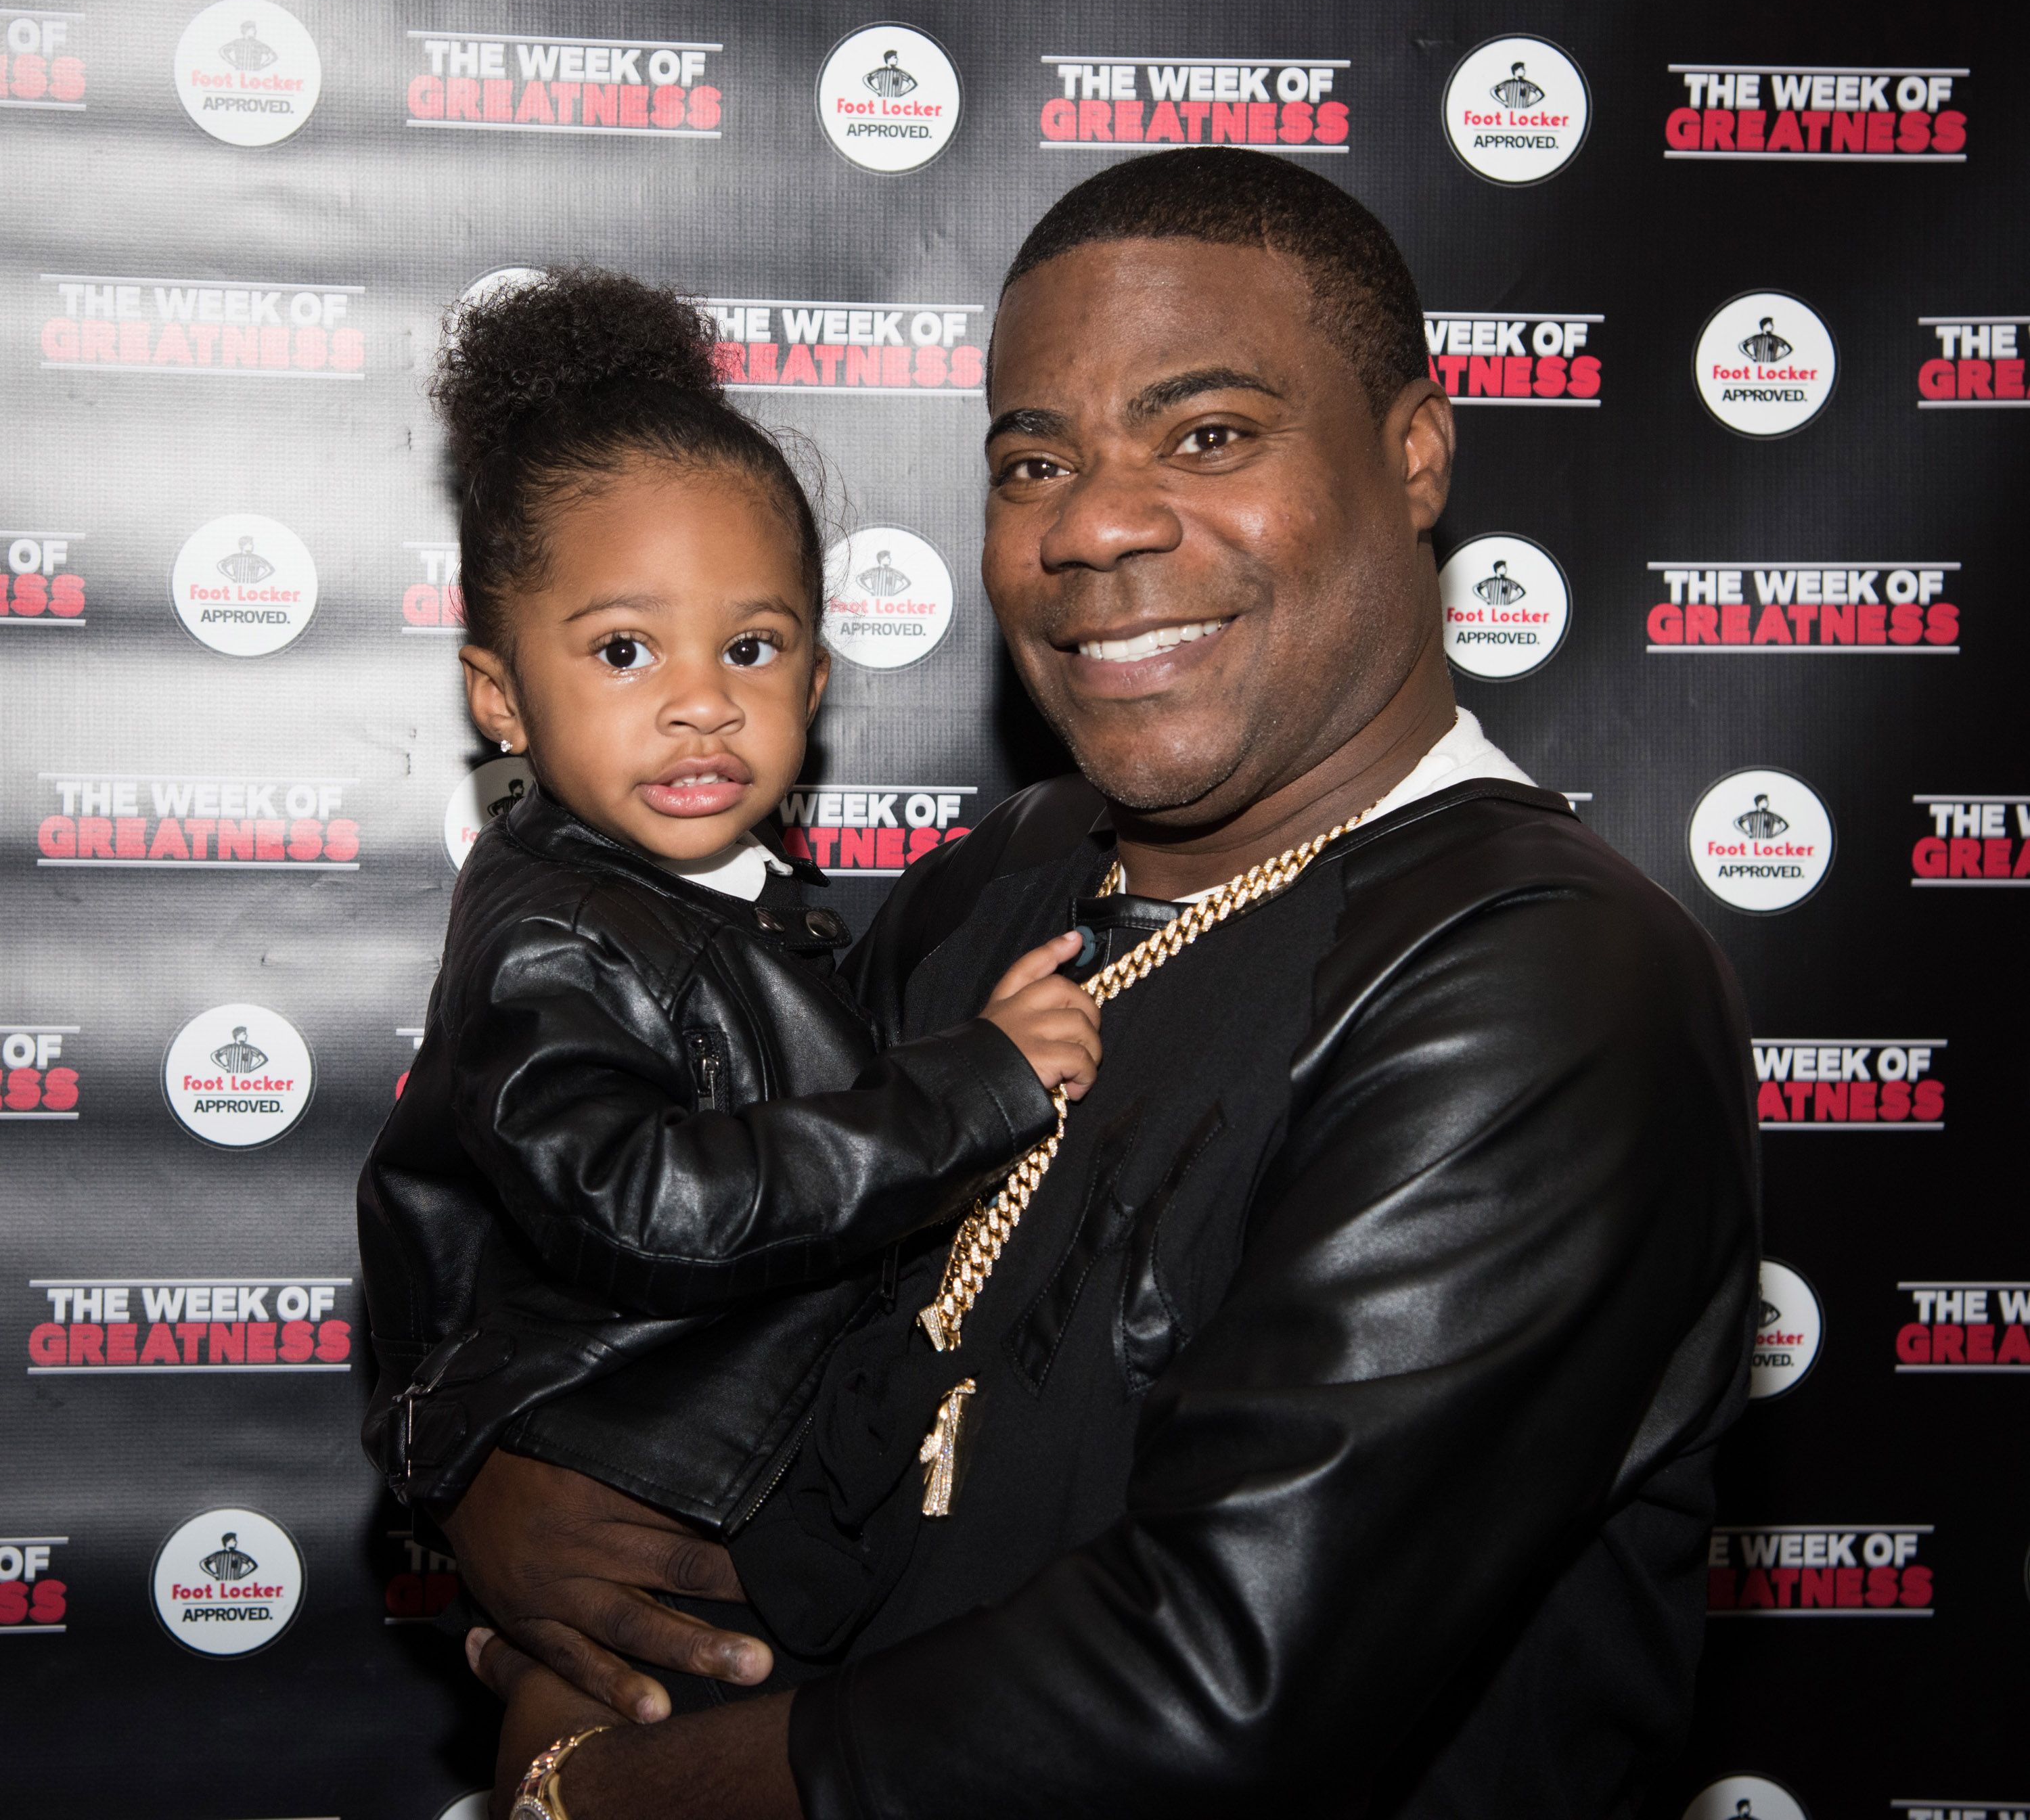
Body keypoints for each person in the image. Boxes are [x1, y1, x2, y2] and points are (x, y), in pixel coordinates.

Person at [449, 153, 1758, 1819]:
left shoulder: (1554, 986)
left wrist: (590, 1795)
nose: (1093, 522)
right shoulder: (992, 885)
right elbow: (709, 1288)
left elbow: (1210, 1690)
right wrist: (503, 1487)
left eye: (1208, 435)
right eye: (1032, 460)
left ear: (1414, 453)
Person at [358, 269, 1108, 1551]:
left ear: (815, 678)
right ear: (500, 696)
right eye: (623, 651)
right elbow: (645, 1207)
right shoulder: (557, 933)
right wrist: (966, 1092)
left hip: (735, 1466)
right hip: (641, 1483)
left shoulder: (726, 892)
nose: (701, 700)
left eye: (749, 649)